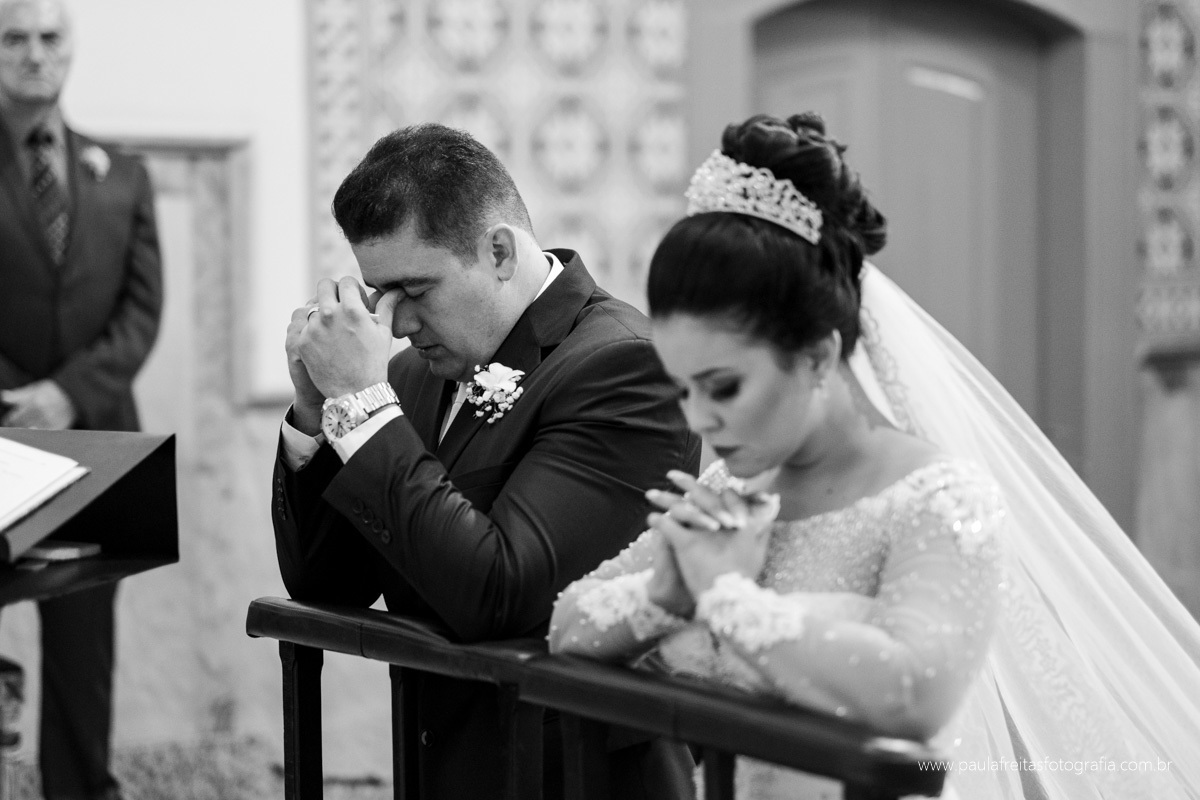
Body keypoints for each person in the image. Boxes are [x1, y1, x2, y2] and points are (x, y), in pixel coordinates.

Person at [550, 112, 1200, 800]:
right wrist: (665, 594)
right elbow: (568, 623)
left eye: (725, 387)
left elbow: (911, 693)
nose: (699, 419)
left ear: (817, 355)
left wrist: (726, 598)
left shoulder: (939, 500)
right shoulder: (729, 494)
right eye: (683, 388)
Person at [272, 122, 701, 800]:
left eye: (415, 290)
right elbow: (325, 583)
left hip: (574, 774)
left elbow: (505, 593)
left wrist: (362, 406)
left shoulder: (625, 365)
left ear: (499, 251)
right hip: (442, 764)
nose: (398, 324)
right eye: (380, 295)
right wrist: (314, 415)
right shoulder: (410, 379)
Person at [0, 1, 162, 798]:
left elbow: (142, 311)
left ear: (71, 49)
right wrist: (15, 399)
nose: (33, 53)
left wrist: (65, 395)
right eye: (14, 38)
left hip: (96, 445)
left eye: (48, 37)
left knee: (82, 645)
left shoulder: (121, 173)